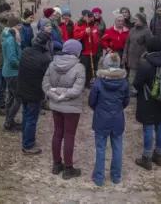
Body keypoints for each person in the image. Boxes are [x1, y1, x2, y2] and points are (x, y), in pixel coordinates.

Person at [42, 39, 86, 180]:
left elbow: (46, 86)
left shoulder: (52, 64)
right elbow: (76, 90)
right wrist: (64, 94)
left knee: (57, 133)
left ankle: (56, 165)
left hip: (56, 104)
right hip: (71, 107)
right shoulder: (79, 67)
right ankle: (68, 168)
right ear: (76, 51)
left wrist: (56, 94)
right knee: (69, 136)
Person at [89, 52, 129, 186]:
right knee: (117, 147)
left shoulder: (98, 82)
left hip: (101, 119)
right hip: (117, 118)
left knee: (100, 148)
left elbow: (91, 101)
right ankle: (116, 176)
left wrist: (99, 109)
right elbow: (126, 101)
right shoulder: (124, 82)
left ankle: (99, 178)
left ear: (105, 64)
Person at [133, 37, 161, 170]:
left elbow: (136, 83)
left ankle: (147, 158)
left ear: (148, 48)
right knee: (160, 125)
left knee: (148, 126)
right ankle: (159, 155)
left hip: (148, 100)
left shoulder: (146, 64)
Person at [18, 31, 52, 155]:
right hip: (34, 94)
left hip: (23, 90)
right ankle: (28, 145)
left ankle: (25, 140)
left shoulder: (26, 51)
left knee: (26, 116)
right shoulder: (44, 59)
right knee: (32, 119)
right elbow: (48, 76)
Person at [122, 13, 152, 95]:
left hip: (141, 58)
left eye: (136, 19)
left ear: (141, 20)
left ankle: (140, 90)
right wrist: (125, 54)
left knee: (140, 75)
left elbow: (150, 45)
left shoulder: (147, 31)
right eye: (134, 19)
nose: (134, 21)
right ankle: (132, 90)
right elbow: (127, 43)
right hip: (131, 57)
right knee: (132, 74)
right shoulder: (132, 30)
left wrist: (145, 55)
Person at [2, 16, 23, 131]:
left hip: (10, 72)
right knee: (18, 98)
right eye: (19, 25)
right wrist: (22, 66)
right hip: (12, 72)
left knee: (11, 97)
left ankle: (9, 121)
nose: (21, 27)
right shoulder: (10, 40)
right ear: (14, 26)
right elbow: (12, 59)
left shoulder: (10, 37)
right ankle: (9, 122)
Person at [74, 10, 100, 88]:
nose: (91, 19)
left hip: (93, 51)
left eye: (91, 17)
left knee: (90, 68)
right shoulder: (79, 24)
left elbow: (97, 36)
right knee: (83, 68)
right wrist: (85, 32)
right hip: (85, 51)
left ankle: (87, 82)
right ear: (84, 17)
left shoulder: (93, 25)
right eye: (89, 17)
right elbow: (76, 36)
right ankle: (81, 83)